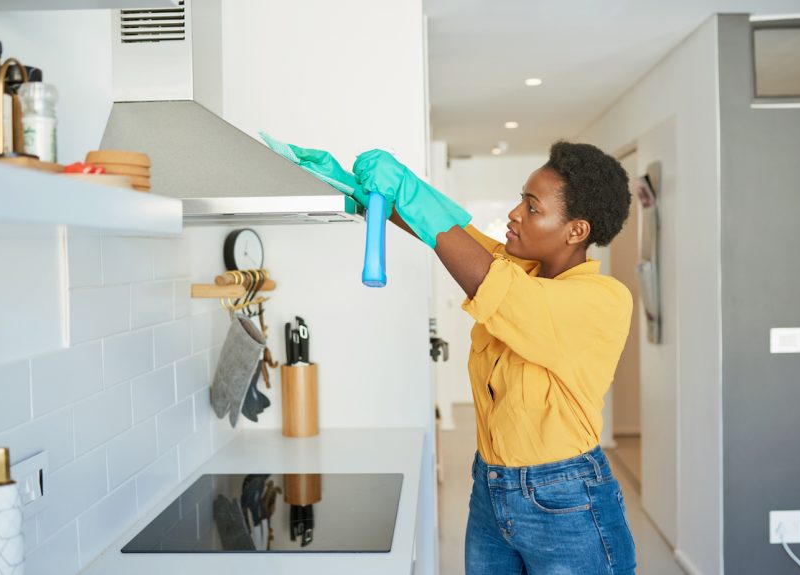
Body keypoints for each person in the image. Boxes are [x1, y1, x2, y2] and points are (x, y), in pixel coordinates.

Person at [271, 138, 636, 574]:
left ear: (577, 230)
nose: (515, 214)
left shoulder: (603, 299)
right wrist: (359, 191)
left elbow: (490, 282)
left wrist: (405, 187)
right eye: (521, 200)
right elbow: (447, 228)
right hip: (490, 488)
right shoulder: (517, 266)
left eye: (532, 208)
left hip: (567, 501)